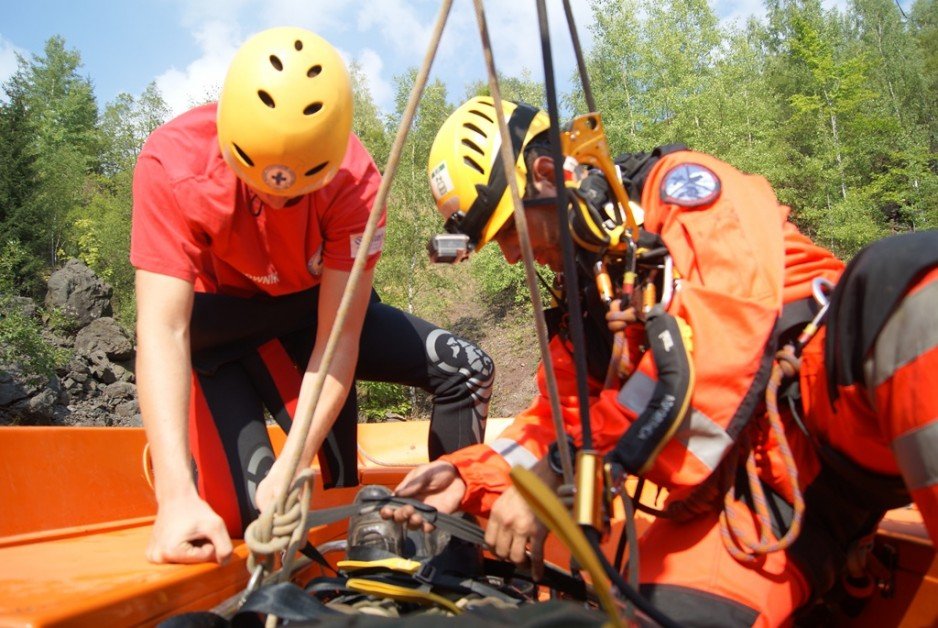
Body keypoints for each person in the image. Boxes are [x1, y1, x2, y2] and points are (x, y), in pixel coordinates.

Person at [383, 96, 938, 625]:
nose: (508, 255)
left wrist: (555, 476)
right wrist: (467, 475)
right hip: (754, 502)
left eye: (508, 230)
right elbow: (556, 424)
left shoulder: (680, 190)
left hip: (834, 400)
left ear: (549, 176)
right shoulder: (581, 311)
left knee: (909, 284)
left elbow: (721, 358)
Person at [130, 28, 494, 566]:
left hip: (311, 316)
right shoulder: (172, 163)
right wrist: (176, 497)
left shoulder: (357, 184)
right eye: (259, 184)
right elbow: (163, 329)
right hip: (222, 333)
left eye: (297, 192)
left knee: (466, 370)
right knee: (256, 519)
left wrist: (294, 458)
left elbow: (339, 333)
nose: (278, 204)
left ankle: (451, 558)